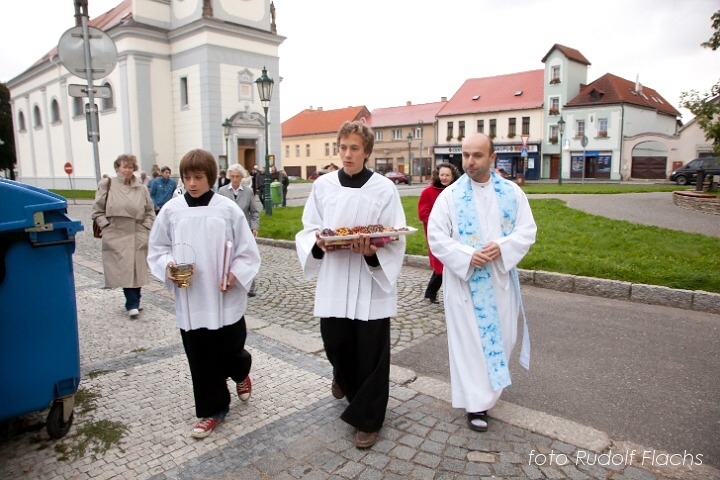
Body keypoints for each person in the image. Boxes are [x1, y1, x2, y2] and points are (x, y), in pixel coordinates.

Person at [295, 120, 406, 449]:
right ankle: (341, 376)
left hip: (368, 281)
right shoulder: (324, 186)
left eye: (354, 148)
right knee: (336, 344)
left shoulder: (384, 189)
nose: (347, 153)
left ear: (367, 152)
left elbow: (396, 234)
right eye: (342, 147)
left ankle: (368, 420)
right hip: (335, 277)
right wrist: (318, 244)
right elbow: (309, 227)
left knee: (371, 352)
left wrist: (372, 254)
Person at [147, 149, 261, 440]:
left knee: (231, 350)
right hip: (192, 297)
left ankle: (240, 372)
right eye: (187, 177)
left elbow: (247, 251)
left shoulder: (227, 210)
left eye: (198, 177)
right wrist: (168, 267)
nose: (193, 183)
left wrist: (236, 272)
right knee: (200, 356)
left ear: (211, 177)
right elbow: (158, 249)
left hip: (224, 296)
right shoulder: (172, 211)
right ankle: (213, 410)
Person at [427, 133, 537, 433]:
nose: (469, 162)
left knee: (501, 339)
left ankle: (489, 393)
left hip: (499, 282)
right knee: (470, 345)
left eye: (477, 155)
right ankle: (476, 404)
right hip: (464, 286)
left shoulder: (512, 193)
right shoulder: (450, 196)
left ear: (492, 158)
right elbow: (436, 236)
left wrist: (503, 247)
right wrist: (465, 255)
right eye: (465, 155)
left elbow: (527, 231)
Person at [91, 154, 155, 319]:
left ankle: (135, 302)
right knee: (125, 269)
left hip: (137, 231)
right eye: (124, 166)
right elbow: (97, 209)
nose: (127, 170)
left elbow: (149, 210)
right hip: (117, 232)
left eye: (130, 167)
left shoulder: (142, 188)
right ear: (117, 167)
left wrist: (146, 226)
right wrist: (106, 226)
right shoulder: (107, 184)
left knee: (138, 271)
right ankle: (131, 304)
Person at [417, 162, 460, 304]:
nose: (445, 177)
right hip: (437, 234)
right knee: (441, 265)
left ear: (453, 176)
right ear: (437, 175)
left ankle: (433, 293)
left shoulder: (457, 191)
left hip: (454, 234)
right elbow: (423, 214)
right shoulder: (428, 192)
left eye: (448, 175)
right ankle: (432, 292)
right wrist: (440, 223)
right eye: (442, 174)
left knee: (452, 263)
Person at [218, 163, 259, 297]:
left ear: (242, 177)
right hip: (227, 230)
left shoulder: (248, 192)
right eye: (233, 176)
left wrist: (254, 227)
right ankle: (227, 281)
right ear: (229, 177)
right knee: (228, 257)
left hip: (244, 229)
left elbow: (254, 212)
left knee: (247, 256)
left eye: (238, 177)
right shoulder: (223, 191)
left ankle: (250, 286)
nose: (235, 179)